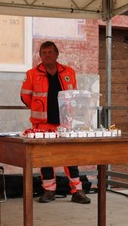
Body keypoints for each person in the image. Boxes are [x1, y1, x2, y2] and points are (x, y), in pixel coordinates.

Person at [20, 41, 91, 204]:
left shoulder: (69, 72)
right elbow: (25, 96)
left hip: (65, 123)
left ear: (57, 54)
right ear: (40, 56)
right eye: (43, 53)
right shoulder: (32, 74)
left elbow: (74, 94)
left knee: (70, 157)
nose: (47, 55)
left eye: (50, 52)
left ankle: (77, 190)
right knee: (45, 158)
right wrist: (39, 108)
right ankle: (49, 190)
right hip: (42, 124)